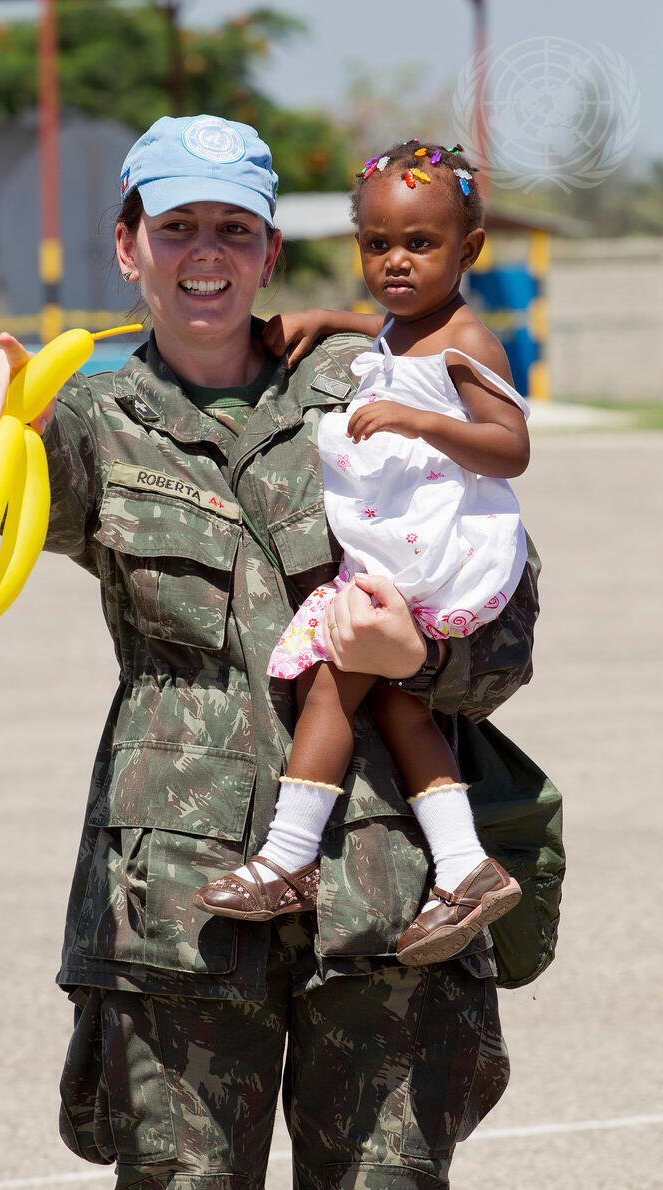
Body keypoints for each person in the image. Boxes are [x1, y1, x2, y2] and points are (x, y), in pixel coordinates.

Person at [0, 115, 544, 1190]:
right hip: (180, 902)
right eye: (176, 226)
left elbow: (503, 620)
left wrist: (413, 656)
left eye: (234, 228)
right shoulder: (89, 416)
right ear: (128, 246)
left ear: (271, 252)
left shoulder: (378, 378)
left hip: (385, 896)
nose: (206, 253)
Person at [195, 141, 526, 969]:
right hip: (399, 554)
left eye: (420, 244)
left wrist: (424, 423)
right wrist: (330, 320)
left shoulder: (469, 341)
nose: (396, 262)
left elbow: (511, 447)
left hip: (433, 561)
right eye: (378, 245)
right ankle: (464, 865)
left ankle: (288, 857)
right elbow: (387, 335)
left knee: (329, 687)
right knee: (399, 708)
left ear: (469, 249)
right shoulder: (404, 329)